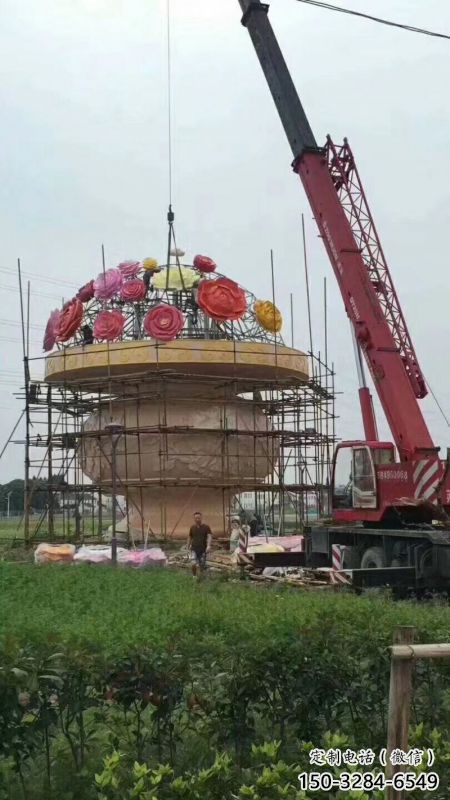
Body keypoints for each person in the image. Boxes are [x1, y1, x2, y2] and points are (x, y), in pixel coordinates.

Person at [188, 512, 212, 577]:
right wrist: (188, 546)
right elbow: (190, 537)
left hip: (203, 549)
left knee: (202, 563)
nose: (197, 519)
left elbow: (209, 536)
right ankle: (194, 576)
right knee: (193, 563)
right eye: (196, 518)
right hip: (194, 548)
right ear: (194, 519)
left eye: (199, 518)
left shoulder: (206, 527)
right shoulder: (192, 527)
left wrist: (208, 545)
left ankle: (201, 576)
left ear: (201, 518)